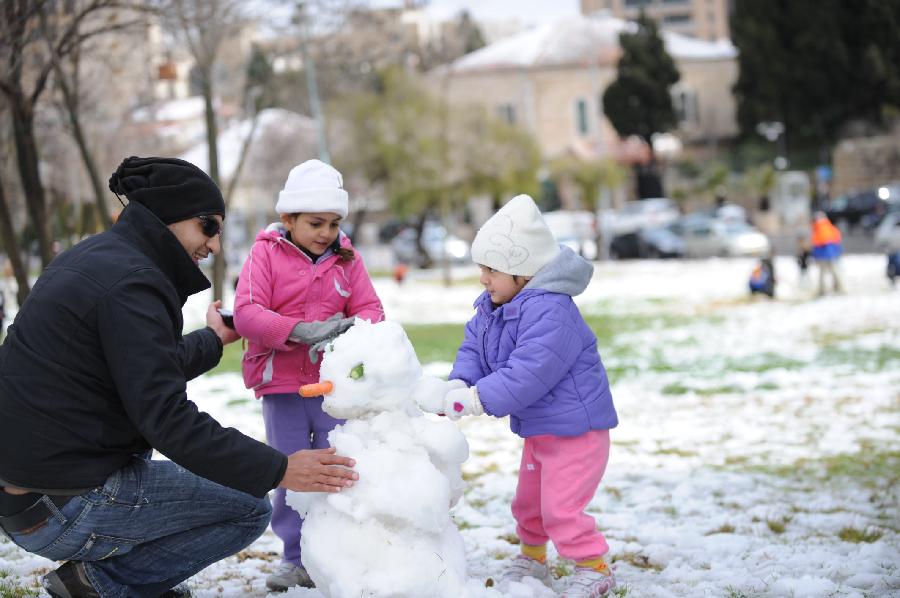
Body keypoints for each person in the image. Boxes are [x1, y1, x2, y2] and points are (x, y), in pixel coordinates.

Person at [0, 156, 358, 598]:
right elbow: (167, 418)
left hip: (28, 495)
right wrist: (280, 468)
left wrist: (212, 338)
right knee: (247, 506)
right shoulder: (134, 283)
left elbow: (140, 367)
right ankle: (99, 583)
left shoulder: (98, 258)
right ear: (169, 216)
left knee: (206, 480)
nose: (214, 245)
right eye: (208, 226)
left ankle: (122, 576)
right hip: (64, 504)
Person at [433, 195, 619, 597]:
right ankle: (533, 557)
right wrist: (459, 382)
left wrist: (480, 399)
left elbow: (531, 371)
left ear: (524, 272)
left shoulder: (552, 311)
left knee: (560, 508)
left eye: (492, 269)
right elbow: (474, 348)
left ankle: (594, 564)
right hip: (542, 429)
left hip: (576, 431)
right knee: (529, 502)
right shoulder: (496, 305)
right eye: (481, 268)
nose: (483, 278)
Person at [233, 159, 384, 592]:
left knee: (340, 465)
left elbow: (371, 310)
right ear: (288, 219)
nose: (326, 232)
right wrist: (296, 330)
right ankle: (296, 555)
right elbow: (246, 313)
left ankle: (343, 551)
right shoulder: (265, 254)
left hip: (334, 388)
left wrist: (348, 330)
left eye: (334, 223)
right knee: (292, 471)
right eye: (316, 222)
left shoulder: (346, 258)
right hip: (282, 385)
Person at [810, 211, 844, 296]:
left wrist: (815, 254)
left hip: (823, 254)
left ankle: (823, 290)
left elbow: (818, 242)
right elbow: (837, 238)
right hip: (832, 253)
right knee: (835, 271)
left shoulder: (819, 228)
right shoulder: (830, 226)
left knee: (823, 273)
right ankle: (838, 287)